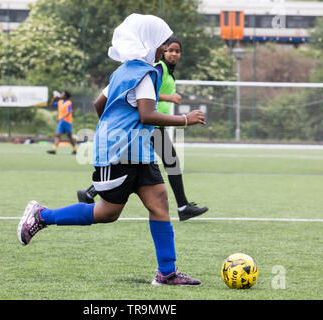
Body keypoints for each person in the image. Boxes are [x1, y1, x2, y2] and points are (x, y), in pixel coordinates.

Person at [18, 14, 206, 286]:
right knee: (107, 213)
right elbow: (146, 115)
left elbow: (99, 104)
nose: (164, 49)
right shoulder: (144, 73)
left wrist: (113, 127)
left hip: (138, 152)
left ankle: (166, 273)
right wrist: (185, 119)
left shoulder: (124, 70)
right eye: (161, 44)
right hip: (119, 154)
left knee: (159, 202)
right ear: (147, 42)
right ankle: (42, 216)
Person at [77, 36, 208, 221]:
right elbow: (144, 95)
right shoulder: (157, 69)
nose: (172, 54)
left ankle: (89, 193)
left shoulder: (167, 72)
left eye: (177, 51)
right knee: (170, 163)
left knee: (152, 167)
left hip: (154, 125)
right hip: (150, 124)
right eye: (169, 49)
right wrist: (172, 102)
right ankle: (183, 206)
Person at [47, 90, 77, 155]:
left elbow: (69, 112)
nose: (61, 95)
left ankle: (75, 149)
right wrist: (54, 98)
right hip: (61, 121)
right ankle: (54, 150)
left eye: (62, 94)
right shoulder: (60, 102)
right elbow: (51, 104)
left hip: (67, 122)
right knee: (58, 135)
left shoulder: (69, 103)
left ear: (66, 96)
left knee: (69, 137)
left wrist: (61, 118)